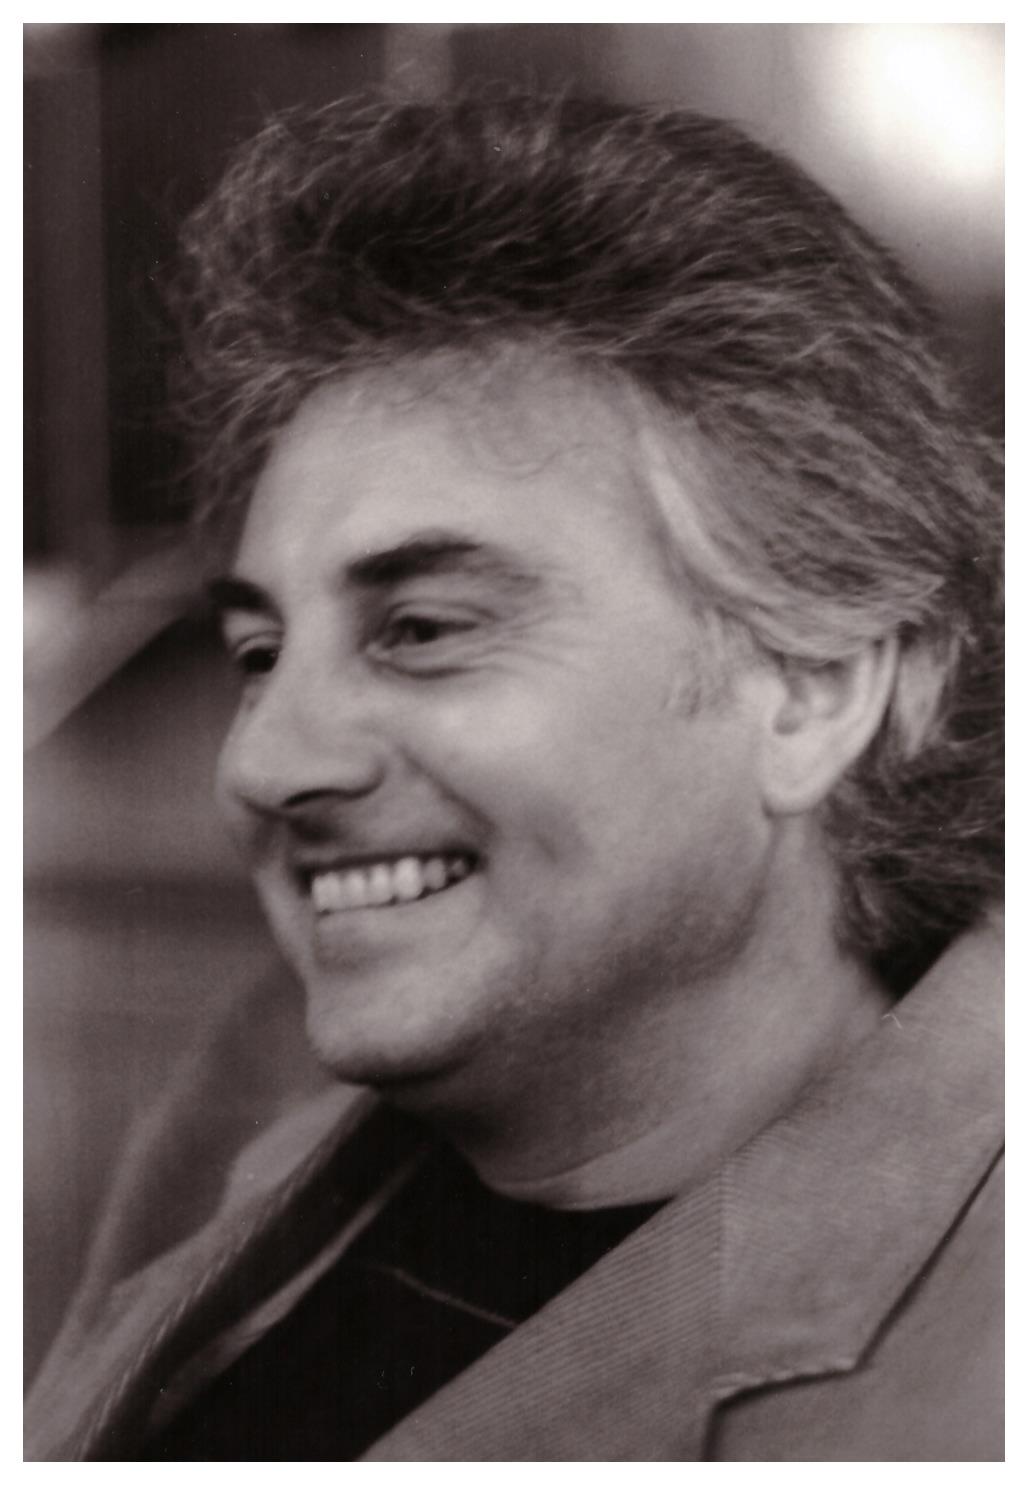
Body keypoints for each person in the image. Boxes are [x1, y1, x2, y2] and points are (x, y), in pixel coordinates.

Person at [25, 93, 1002, 1462]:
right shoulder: (236, 1115)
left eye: (423, 630)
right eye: (259, 652)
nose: (265, 760)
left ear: (816, 689)